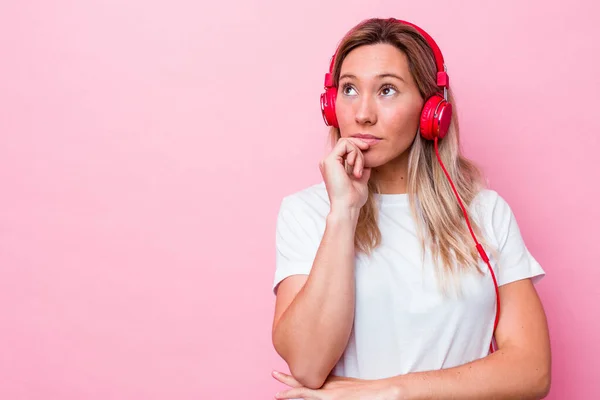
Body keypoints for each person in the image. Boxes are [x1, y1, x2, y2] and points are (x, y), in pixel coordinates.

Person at [270, 17, 551, 400]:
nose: (363, 113)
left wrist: (388, 392)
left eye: (387, 90)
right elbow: (307, 363)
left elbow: (531, 371)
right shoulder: (306, 212)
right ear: (331, 105)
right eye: (349, 89)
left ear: (432, 110)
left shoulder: (485, 213)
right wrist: (344, 211)